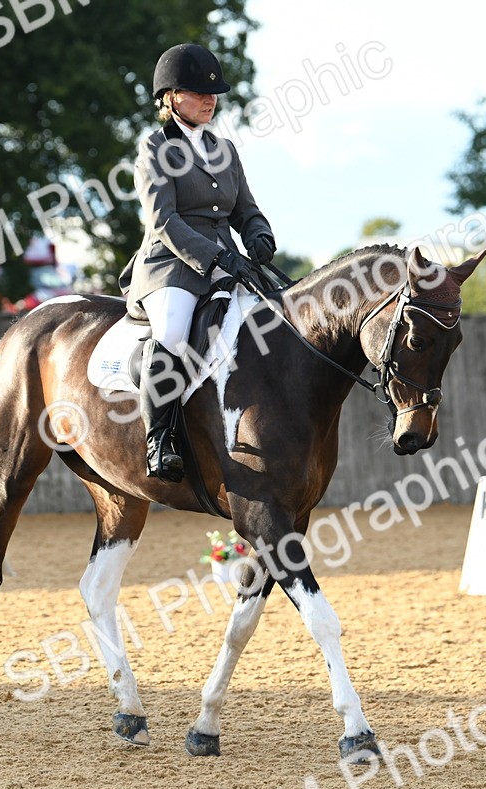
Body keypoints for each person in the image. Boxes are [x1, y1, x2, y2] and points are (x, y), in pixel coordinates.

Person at [119, 43, 278, 484]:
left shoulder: (224, 149)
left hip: (229, 261)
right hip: (171, 265)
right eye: (198, 93)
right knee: (172, 331)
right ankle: (159, 440)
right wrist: (216, 256)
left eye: (214, 94)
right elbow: (163, 220)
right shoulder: (154, 149)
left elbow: (245, 209)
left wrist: (259, 235)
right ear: (170, 98)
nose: (211, 100)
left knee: (276, 317)